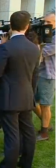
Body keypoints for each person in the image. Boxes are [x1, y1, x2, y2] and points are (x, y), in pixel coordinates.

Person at [0, 11, 39, 168]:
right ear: (27, 26)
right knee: (28, 132)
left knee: (12, 135)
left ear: (11, 26)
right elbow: (35, 75)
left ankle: (8, 165)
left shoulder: (6, 48)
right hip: (26, 95)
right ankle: (26, 163)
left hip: (9, 97)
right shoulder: (34, 48)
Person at [34, 11, 55, 141]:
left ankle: (44, 132)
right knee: (32, 102)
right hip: (37, 72)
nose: (46, 25)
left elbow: (43, 53)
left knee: (45, 104)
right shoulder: (43, 34)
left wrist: (36, 45)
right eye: (45, 22)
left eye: (49, 22)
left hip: (48, 74)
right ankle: (46, 124)